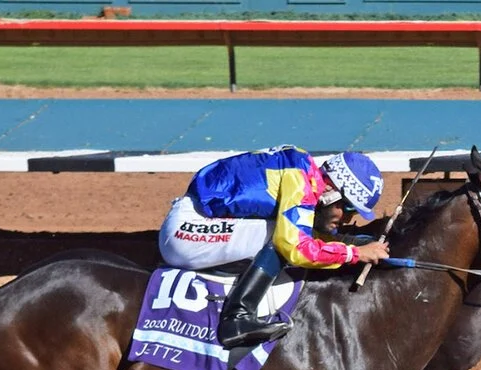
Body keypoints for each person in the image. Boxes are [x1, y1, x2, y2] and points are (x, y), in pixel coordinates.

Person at [158, 145, 391, 347]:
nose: (348, 218)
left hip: (200, 220)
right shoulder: (299, 179)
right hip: (185, 231)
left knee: (286, 230)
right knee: (280, 236)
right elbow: (296, 248)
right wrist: (354, 253)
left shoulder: (303, 171)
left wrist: (352, 243)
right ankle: (236, 318)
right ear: (330, 191)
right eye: (348, 208)